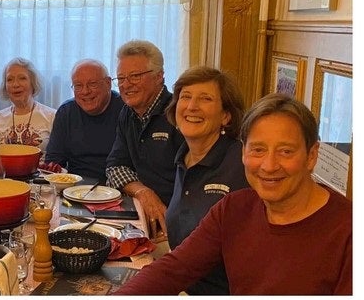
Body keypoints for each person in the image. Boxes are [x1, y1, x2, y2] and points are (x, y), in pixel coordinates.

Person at [116, 94, 352, 295]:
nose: (269, 165)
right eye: (258, 150)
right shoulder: (234, 208)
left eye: (286, 151)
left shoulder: (348, 231)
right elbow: (174, 269)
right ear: (243, 152)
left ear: (311, 156)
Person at [163, 66, 249, 294]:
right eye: (186, 97)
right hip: (183, 286)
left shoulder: (242, 163)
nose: (192, 106)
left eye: (205, 99)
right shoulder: (183, 158)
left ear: (226, 116)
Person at [105, 40, 184, 238]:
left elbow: (191, 183)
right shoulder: (128, 112)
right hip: (140, 213)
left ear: (159, 76)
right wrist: (143, 192)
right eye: (121, 78)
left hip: (173, 223)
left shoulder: (179, 113)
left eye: (135, 76)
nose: (126, 84)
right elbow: (115, 167)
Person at [45, 59, 124, 181]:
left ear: (108, 83)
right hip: (76, 187)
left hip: (119, 185)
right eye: (78, 86)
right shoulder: (66, 112)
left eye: (92, 84)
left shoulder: (126, 109)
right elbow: (54, 161)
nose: (85, 91)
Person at [0, 57, 56, 158]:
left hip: (41, 173)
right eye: (10, 79)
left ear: (33, 83)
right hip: (4, 173)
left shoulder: (52, 116)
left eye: (22, 78)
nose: (15, 84)